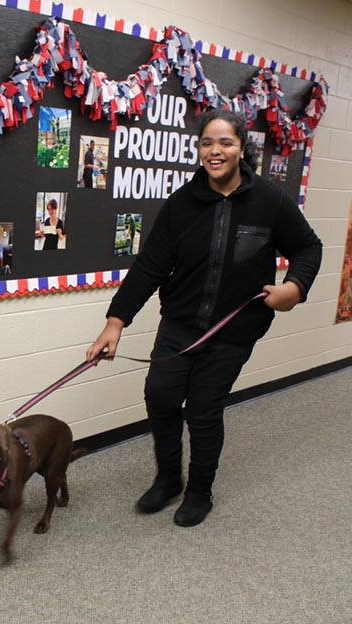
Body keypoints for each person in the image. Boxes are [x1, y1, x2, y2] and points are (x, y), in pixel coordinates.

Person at [87, 110, 322, 527]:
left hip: (235, 330)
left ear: (241, 149)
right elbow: (150, 267)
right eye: (207, 143)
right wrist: (115, 322)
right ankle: (168, 479)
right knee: (160, 396)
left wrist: (295, 288)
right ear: (199, 149)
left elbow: (308, 248)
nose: (216, 151)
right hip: (180, 323)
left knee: (203, 409)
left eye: (226, 143)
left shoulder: (270, 200)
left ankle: (199, 492)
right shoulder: (181, 204)